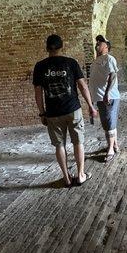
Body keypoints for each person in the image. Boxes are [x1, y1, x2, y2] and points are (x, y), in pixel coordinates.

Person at [33, 34, 98, 187]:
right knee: (78, 142)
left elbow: (38, 92)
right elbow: (82, 85)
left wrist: (42, 112)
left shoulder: (40, 66)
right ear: (62, 46)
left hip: (53, 113)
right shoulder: (71, 63)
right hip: (73, 109)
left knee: (59, 145)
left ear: (47, 48)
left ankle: (67, 178)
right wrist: (90, 105)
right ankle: (81, 175)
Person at [89, 35, 120, 163]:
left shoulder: (109, 58)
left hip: (108, 97)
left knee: (108, 124)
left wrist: (107, 93)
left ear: (106, 46)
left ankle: (110, 150)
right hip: (101, 97)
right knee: (109, 122)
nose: (97, 44)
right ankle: (115, 145)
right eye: (97, 42)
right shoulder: (96, 61)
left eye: (100, 42)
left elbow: (113, 75)